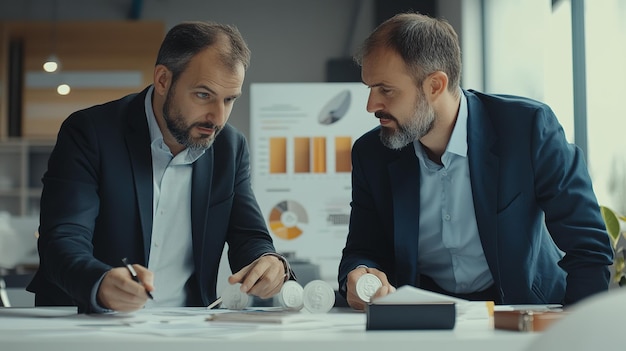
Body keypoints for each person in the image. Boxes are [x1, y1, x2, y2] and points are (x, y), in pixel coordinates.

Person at [338, 12, 614, 311]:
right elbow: (362, 250)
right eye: (370, 89)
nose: (371, 106)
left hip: (525, 311)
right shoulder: (371, 153)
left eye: (385, 90)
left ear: (435, 85)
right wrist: (359, 273)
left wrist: (572, 330)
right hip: (425, 320)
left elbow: (589, 246)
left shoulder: (528, 128)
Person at [27, 21, 293, 313]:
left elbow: (249, 236)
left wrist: (269, 261)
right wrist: (100, 283)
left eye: (229, 100)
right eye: (203, 95)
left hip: (183, 325)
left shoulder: (230, 147)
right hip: (83, 319)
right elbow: (62, 238)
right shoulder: (90, 132)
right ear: (163, 80)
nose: (217, 117)